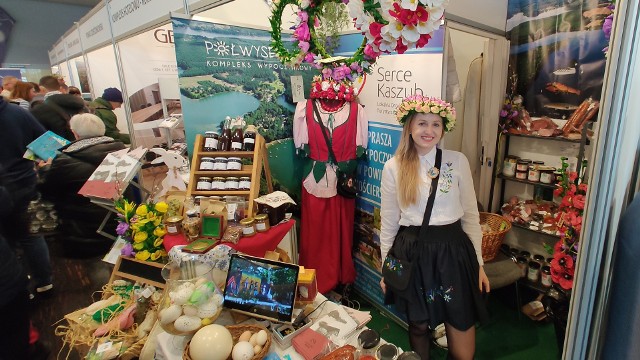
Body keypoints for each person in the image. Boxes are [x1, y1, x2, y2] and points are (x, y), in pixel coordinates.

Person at [379, 95, 489, 360]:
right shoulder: (393, 167)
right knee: (418, 323)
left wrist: (479, 264)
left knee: (460, 323)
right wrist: (387, 268)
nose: (429, 131)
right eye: (422, 123)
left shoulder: (457, 161)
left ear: (443, 128)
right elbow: (389, 222)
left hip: (454, 252)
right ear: (410, 127)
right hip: (412, 251)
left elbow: (471, 218)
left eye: (436, 124)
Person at [293, 75, 368, 294]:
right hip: (314, 181)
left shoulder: (356, 111)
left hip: (343, 183)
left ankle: (340, 278)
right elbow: (302, 144)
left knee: (342, 231)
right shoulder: (304, 108)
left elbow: (359, 148)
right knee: (314, 232)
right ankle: (315, 282)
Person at [39, 113, 125, 257]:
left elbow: (47, 191)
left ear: (75, 133)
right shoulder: (121, 151)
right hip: (119, 222)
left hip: (82, 229)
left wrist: (45, 169)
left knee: (96, 270)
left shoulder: (64, 160)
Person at [0, 96, 54, 298]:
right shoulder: (18, 113)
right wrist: (26, 161)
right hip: (24, 183)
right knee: (32, 235)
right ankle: (44, 281)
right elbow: (48, 146)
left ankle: (20, 289)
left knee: (6, 241)